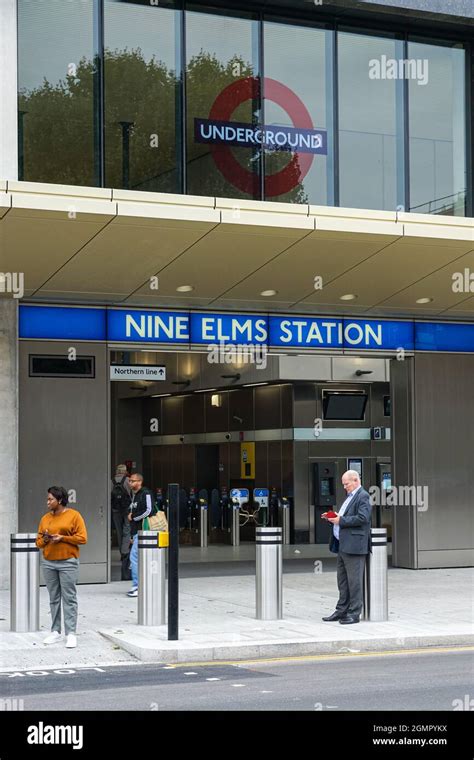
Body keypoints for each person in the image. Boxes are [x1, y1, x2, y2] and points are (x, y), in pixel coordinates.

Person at [36, 486, 88, 648]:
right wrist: (45, 539)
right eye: (47, 499)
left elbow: (82, 538)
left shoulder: (74, 515)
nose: (48, 502)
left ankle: (71, 633)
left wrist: (63, 538)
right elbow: (38, 542)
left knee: (69, 598)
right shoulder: (45, 518)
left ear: (60, 500)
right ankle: (56, 631)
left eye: (50, 499)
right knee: (54, 598)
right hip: (49, 562)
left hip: (68, 562)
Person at [322, 470, 371, 625]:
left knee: (354, 581)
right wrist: (332, 517)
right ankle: (341, 610)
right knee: (342, 581)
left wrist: (340, 520)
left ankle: (354, 613)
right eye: (343, 484)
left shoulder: (363, 496)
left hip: (355, 546)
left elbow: (363, 518)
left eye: (346, 484)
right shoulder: (350, 497)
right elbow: (346, 517)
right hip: (343, 544)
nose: (345, 487)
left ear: (355, 480)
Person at [127, 473, 153, 598]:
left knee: (134, 557)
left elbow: (149, 510)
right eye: (130, 481)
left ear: (140, 481)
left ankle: (137, 586)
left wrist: (134, 517)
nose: (130, 483)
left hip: (144, 530)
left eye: (133, 481)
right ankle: (141, 585)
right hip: (137, 532)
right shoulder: (134, 495)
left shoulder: (145, 493)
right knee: (137, 558)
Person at [111, 464, 132, 580]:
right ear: (125, 472)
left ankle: (121, 552)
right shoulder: (128, 480)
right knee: (127, 530)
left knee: (119, 532)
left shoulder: (111, 481)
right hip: (126, 509)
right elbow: (132, 495)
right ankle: (125, 552)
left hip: (115, 510)